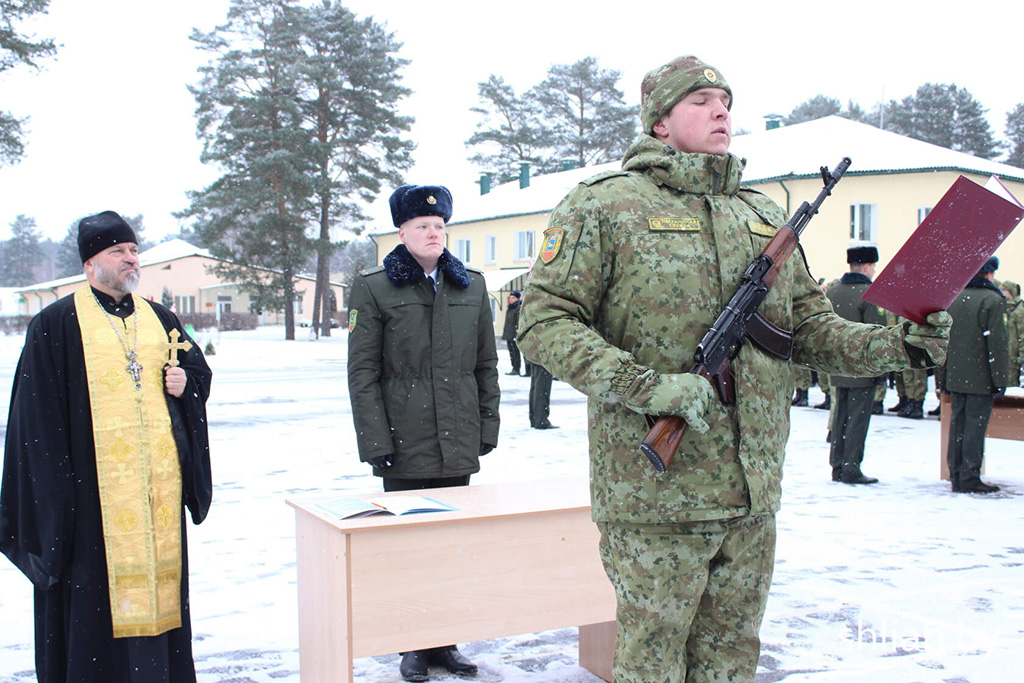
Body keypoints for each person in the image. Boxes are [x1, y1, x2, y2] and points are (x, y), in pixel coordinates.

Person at [515, 55, 951, 683]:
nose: (720, 111)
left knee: (732, 656)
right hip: (655, 493)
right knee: (654, 658)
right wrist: (647, 386)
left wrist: (899, 345)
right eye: (699, 101)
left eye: (725, 101)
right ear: (659, 122)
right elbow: (544, 322)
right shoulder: (604, 207)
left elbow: (808, 329)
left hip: (751, 489)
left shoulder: (761, 215)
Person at [0, 210, 213, 682]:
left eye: (133, 251)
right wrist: (55, 500)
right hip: (87, 501)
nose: (129, 260)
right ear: (89, 263)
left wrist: (185, 384)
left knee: (160, 606)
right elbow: (34, 418)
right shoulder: (55, 325)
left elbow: (198, 375)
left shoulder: (162, 319)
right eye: (117, 252)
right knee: (90, 609)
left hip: (156, 501)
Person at [347, 184, 500, 681]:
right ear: (402, 232)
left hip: (457, 437)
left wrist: (488, 424)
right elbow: (363, 372)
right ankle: (412, 645)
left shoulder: (470, 285)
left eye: (438, 227)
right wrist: (375, 442)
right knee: (409, 548)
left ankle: (446, 641)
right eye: (421, 227)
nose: (432, 233)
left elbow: (484, 364)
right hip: (403, 440)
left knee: (451, 545)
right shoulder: (374, 287)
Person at [945, 256, 1008, 494]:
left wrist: (945, 376)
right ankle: (969, 476)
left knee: (958, 425)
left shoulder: (955, 298)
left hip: (957, 374)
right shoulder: (993, 300)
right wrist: (1000, 379)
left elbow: (946, 341)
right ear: (990, 275)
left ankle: (956, 473)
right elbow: (998, 345)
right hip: (981, 377)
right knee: (974, 427)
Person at [826, 246, 889, 484]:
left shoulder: (833, 292)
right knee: (857, 420)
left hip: (837, 364)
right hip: (862, 368)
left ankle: (837, 465)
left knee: (840, 416)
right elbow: (878, 336)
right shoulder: (870, 293)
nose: (874, 270)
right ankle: (851, 467)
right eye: (873, 266)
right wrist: (881, 369)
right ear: (865, 267)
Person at [1000, 280, 1023, 386]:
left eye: (1004, 290)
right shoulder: (1003, 308)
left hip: (1014, 358)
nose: (1002, 292)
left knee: (1011, 388)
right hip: (1004, 356)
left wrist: (1021, 357)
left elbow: (1022, 335)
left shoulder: (1019, 310)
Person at [502, 290, 524, 375]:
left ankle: (516, 368)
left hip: (514, 334)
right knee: (511, 352)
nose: (511, 299)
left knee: (515, 352)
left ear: (517, 299)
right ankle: (513, 367)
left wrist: (517, 333)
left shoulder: (518, 308)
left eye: (513, 298)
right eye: (510, 297)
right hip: (509, 334)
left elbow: (518, 322)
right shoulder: (510, 308)